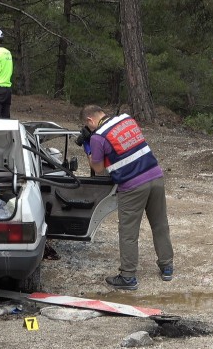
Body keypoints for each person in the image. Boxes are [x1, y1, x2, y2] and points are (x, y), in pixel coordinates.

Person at [79, 105, 174, 290]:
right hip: (155, 176)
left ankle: (128, 276)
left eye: (87, 125)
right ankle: (167, 267)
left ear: (90, 120)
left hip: (132, 186)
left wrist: (88, 146)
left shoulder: (98, 137)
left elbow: (98, 169)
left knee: (128, 232)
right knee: (160, 224)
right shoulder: (126, 119)